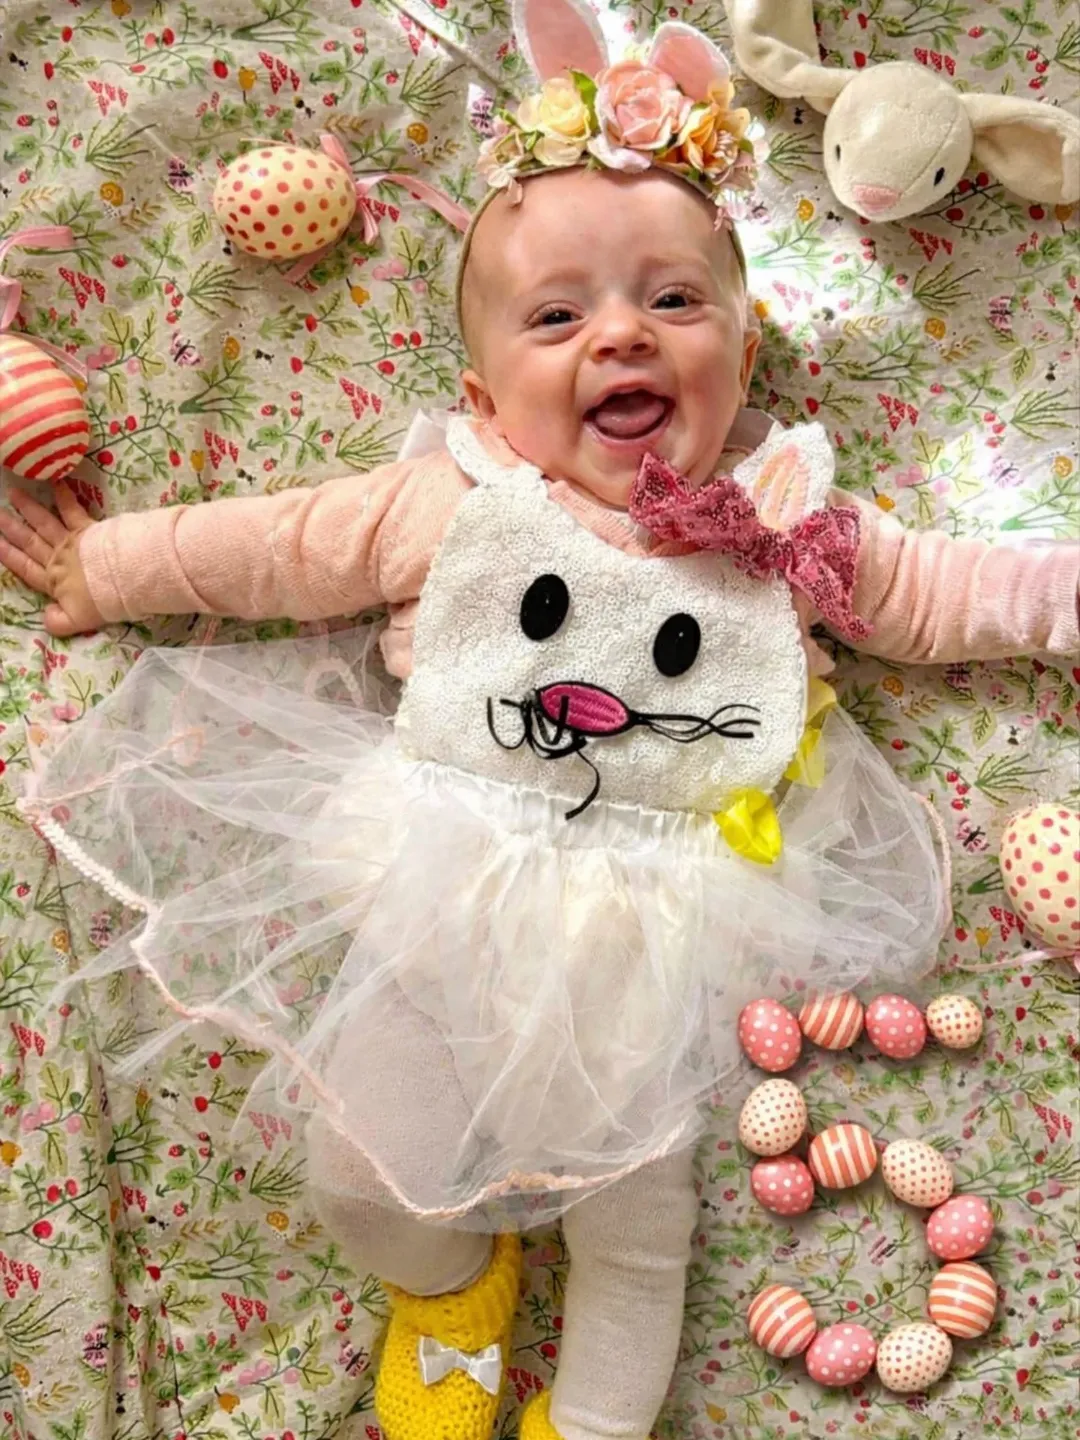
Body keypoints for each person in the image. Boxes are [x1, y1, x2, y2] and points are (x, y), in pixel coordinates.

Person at [3, 8, 1078, 1440]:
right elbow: (278, 546)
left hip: (667, 928)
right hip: (440, 888)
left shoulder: (784, 519)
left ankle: (593, 1427)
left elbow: (947, 593)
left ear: (743, 351)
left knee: (639, 1235)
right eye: (558, 317)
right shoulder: (460, 495)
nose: (621, 332)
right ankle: (451, 1298)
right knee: (356, 1171)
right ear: (484, 396)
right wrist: (111, 565)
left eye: (673, 301)